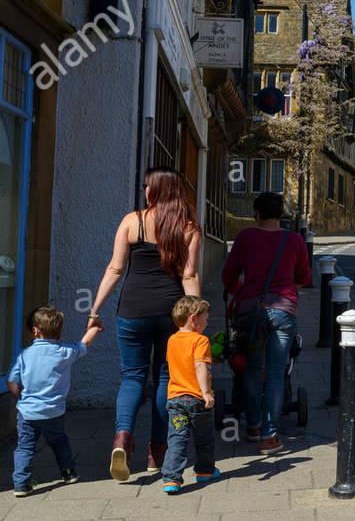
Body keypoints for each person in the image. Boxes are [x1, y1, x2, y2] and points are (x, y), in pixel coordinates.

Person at [90, 166, 202, 482]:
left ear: (156, 189)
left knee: (132, 377)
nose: (144, 190)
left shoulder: (132, 221)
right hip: (172, 313)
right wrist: (195, 318)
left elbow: (115, 269)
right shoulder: (189, 227)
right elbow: (189, 276)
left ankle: (122, 437)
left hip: (132, 311)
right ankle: (157, 451)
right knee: (166, 377)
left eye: (147, 185)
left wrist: (94, 308)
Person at [221, 192, 310, 454]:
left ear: (256, 214)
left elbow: (228, 277)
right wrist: (286, 289)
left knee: (251, 368)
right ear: (281, 215)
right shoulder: (294, 239)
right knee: (275, 372)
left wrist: (244, 292)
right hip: (284, 310)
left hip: (252, 311)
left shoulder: (246, 237)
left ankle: (253, 426)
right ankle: (270, 436)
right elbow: (304, 276)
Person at [7, 306, 103, 495]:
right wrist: (95, 328)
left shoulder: (24, 355)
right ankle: (68, 473)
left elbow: (11, 381)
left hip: (28, 412)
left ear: (35, 331)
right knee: (59, 442)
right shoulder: (65, 352)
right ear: (59, 331)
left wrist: (21, 396)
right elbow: (85, 344)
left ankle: (21, 483)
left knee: (25, 447)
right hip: (54, 411)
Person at [160, 296, 221, 494]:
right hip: (197, 400)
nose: (207, 322)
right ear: (193, 319)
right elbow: (200, 366)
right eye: (205, 319)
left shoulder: (171, 340)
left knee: (177, 438)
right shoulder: (200, 340)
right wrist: (205, 393)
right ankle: (204, 471)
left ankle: (171, 478)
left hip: (175, 399)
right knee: (204, 438)